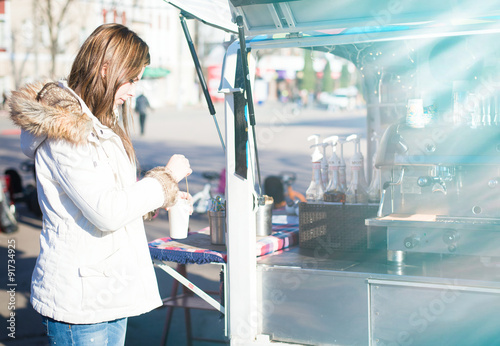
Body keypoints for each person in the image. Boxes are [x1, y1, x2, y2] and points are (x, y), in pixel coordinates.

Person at [8, 23, 192, 345]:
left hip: (107, 290)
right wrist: (165, 179)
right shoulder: (66, 132)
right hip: (79, 300)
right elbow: (106, 211)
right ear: (106, 68)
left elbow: (111, 198)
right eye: (132, 79)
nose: (135, 90)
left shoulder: (100, 124)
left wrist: (158, 201)